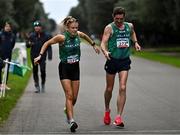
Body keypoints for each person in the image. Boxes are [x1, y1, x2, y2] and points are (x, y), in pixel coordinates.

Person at [34, 16, 100, 132]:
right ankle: (71, 121)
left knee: (74, 98)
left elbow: (85, 36)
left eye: (76, 27)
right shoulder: (62, 37)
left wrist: (94, 45)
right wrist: (40, 55)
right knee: (69, 95)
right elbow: (47, 43)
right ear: (67, 28)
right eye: (73, 28)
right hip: (64, 68)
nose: (75, 30)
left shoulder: (78, 34)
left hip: (75, 68)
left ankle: (67, 110)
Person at [101, 7, 141, 127]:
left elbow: (132, 33)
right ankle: (107, 110)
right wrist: (105, 52)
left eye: (121, 19)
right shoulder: (109, 28)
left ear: (124, 17)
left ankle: (118, 117)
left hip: (124, 60)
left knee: (122, 87)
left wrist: (136, 43)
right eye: (116, 19)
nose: (119, 21)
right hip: (112, 60)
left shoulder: (129, 26)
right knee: (109, 89)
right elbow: (103, 42)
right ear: (113, 17)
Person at [26, 20, 52, 93]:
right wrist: (29, 44)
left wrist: (50, 55)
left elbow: (49, 46)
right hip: (34, 57)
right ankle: (37, 86)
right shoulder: (31, 35)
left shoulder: (46, 36)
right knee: (35, 71)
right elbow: (27, 45)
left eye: (38, 26)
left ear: (41, 27)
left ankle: (43, 84)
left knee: (43, 71)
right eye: (35, 26)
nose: (37, 28)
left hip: (42, 57)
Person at [0, 22, 16, 90]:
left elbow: (12, 45)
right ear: (4, 27)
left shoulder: (12, 35)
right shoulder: (0, 34)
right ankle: (0, 84)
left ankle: (5, 84)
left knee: (6, 70)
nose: (7, 27)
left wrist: (8, 50)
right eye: (6, 26)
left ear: (10, 27)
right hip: (1, 55)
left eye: (9, 26)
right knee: (0, 69)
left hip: (8, 55)